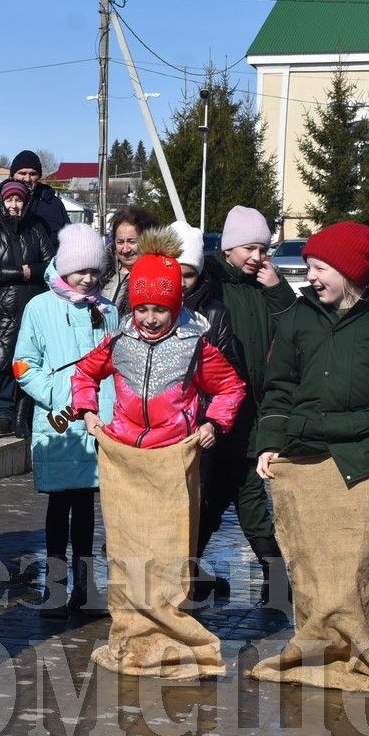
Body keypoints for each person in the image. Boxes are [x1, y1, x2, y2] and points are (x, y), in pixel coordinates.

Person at [250, 222, 369, 698]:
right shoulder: (298, 316)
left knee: (360, 561)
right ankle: (314, 647)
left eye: (320, 268)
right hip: (307, 456)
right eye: (310, 267)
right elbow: (280, 387)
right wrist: (269, 441)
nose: (311, 277)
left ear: (349, 271)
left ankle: (357, 652)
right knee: (310, 562)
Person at [70, 228, 244, 680]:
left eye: (160, 309)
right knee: (128, 551)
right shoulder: (118, 341)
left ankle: (168, 628)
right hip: (125, 458)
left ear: (175, 306)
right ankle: (132, 628)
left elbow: (230, 387)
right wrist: (88, 414)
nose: (149, 318)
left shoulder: (195, 345)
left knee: (168, 550)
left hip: (172, 459)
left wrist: (212, 423)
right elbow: (84, 375)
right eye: (142, 308)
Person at [13, 223, 118, 619]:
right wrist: (61, 394)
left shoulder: (107, 310)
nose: (89, 278)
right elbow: (24, 365)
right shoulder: (39, 308)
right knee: (59, 508)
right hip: (59, 423)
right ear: (64, 267)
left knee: (87, 508)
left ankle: (85, 588)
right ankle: (54, 588)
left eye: (95, 271)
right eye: (82, 270)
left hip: (97, 424)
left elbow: (115, 365)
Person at [201, 205, 295, 606]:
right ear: (229, 249)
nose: (258, 257)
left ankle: (276, 580)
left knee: (244, 492)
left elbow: (294, 324)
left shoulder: (262, 287)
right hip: (218, 408)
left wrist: (277, 287)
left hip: (254, 408)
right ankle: (274, 580)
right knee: (217, 495)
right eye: (250, 249)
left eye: (263, 249)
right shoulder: (214, 285)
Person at [167, 221, 256, 605]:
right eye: (176, 273)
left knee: (194, 509)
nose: (182, 283)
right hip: (156, 430)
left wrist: (212, 420)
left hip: (196, 431)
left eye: (189, 274)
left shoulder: (216, 315)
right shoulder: (145, 309)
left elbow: (230, 376)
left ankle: (185, 578)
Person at [0, 177, 56, 440]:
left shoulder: (36, 231)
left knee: (27, 364)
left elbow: (50, 266)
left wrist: (32, 271)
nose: (14, 204)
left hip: (31, 307)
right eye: (10, 199)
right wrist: (20, 272)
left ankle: (20, 420)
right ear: (2, 201)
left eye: (19, 199)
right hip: (3, 310)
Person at [0, 150, 70, 258]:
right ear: (12, 175)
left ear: (39, 176)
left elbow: (72, 245)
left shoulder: (53, 204)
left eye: (33, 174)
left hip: (45, 272)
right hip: (2, 272)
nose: (27, 178)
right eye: (22, 173)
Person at [99, 206, 158, 316]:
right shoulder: (100, 271)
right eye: (120, 242)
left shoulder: (155, 279)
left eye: (132, 242)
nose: (125, 249)